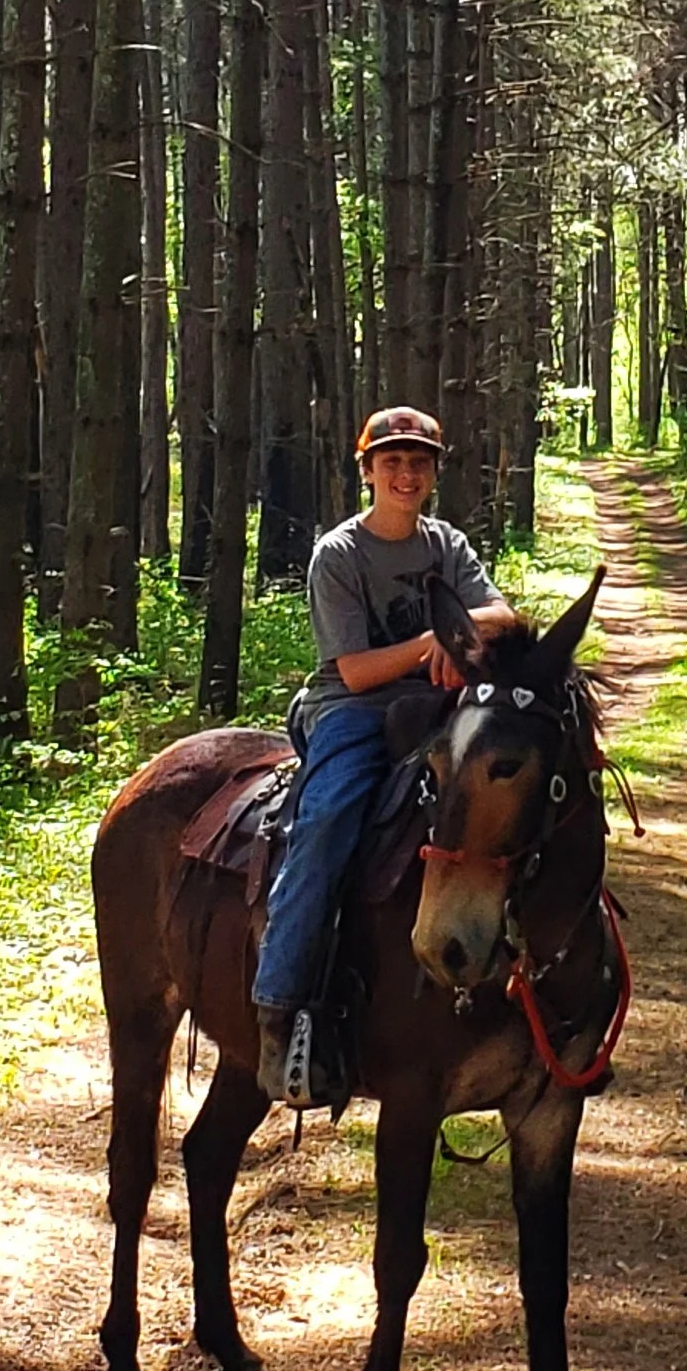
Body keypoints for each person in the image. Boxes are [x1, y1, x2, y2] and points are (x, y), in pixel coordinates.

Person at [253, 405, 519, 1105]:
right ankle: (279, 1003)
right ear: (366, 469)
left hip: (436, 706)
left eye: (419, 462)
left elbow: (502, 614)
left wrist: (453, 635)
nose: (406, 473)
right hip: (353, 711)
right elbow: (356, 670)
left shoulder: (445, 543)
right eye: (392, 461)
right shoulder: (338, 554)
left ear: (433, 473)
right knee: (330, 819)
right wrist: (431, 643)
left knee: (510, 786)